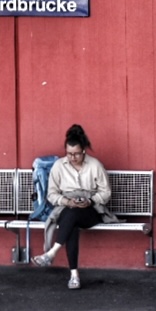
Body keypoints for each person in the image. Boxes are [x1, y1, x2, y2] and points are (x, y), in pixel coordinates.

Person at [31, 124, 112, 290]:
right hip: (67, 209)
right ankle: (74, 276)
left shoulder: (95, 165)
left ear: (84, 152)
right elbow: (51, 195)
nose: (72, 158)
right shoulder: (59, 166)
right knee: (71, 220)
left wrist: (90, 200)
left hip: (91, 211)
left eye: (76, 154)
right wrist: (67, 201)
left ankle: (51, 253)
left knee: (73, 215)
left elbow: (106, 193)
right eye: (69, 154)